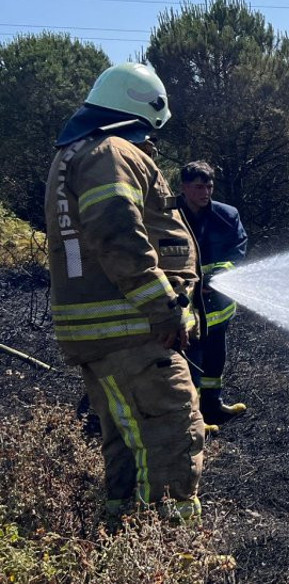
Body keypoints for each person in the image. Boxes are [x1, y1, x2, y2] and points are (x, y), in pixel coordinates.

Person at [44, 62, 204, 520]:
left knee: (128, 434)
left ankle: (122, 523)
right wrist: (165, 306)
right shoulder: (110, 151)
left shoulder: (76, 152)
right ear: (144, 109)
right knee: (173, 426)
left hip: (106, 328)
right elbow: (118, 232)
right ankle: (170, 535)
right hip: (132, 326)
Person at [178, 160, 248, 425]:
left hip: (218, 306)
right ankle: (192, 417)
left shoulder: (227, 215)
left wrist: (219, 275)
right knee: (190, 360)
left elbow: (238, 248)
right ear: (184, 187)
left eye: (209, 186)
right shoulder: (170, 217)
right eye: (198, 187)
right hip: (187, 307)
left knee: (215, 358)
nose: (205, 192)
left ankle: (213, 405)